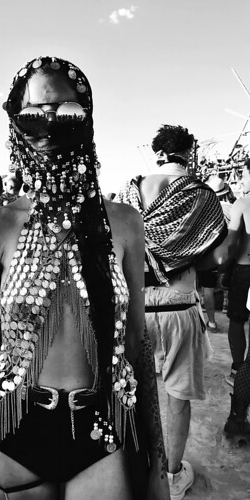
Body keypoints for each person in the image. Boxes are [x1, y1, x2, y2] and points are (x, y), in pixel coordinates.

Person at [0, 56, 169, 500]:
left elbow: (137, 342)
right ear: (16, 122)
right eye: (35, 114)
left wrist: (158, 464)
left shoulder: (125, 222)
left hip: (102, 425)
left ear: (88, 119)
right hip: (15, 426)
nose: (50, 126)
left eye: (68, 113)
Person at [116, 124, 227, 500]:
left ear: (158, 152)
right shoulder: (200, 195)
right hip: (179, 306)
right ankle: (173, 476)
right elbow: (219, 254)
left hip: (135, 309)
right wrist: (184, 252)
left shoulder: (129, 194)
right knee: (176, 398)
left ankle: (132, 469)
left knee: (131, 393)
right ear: (189, 152)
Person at [222, 158, 250, 389]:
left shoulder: (243, 203)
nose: (241, 179)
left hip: (244, 269)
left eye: (244, 174)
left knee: (237, 321)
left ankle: (238, 369)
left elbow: (232, 245)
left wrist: (223, 268)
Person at [197, 176, 235, 331]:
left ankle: (211, 322)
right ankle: (227, 306)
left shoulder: (204, 208)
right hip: (230, 252)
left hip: (209, 254)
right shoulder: (232, 207)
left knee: (208, 288)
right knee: (229, 282)